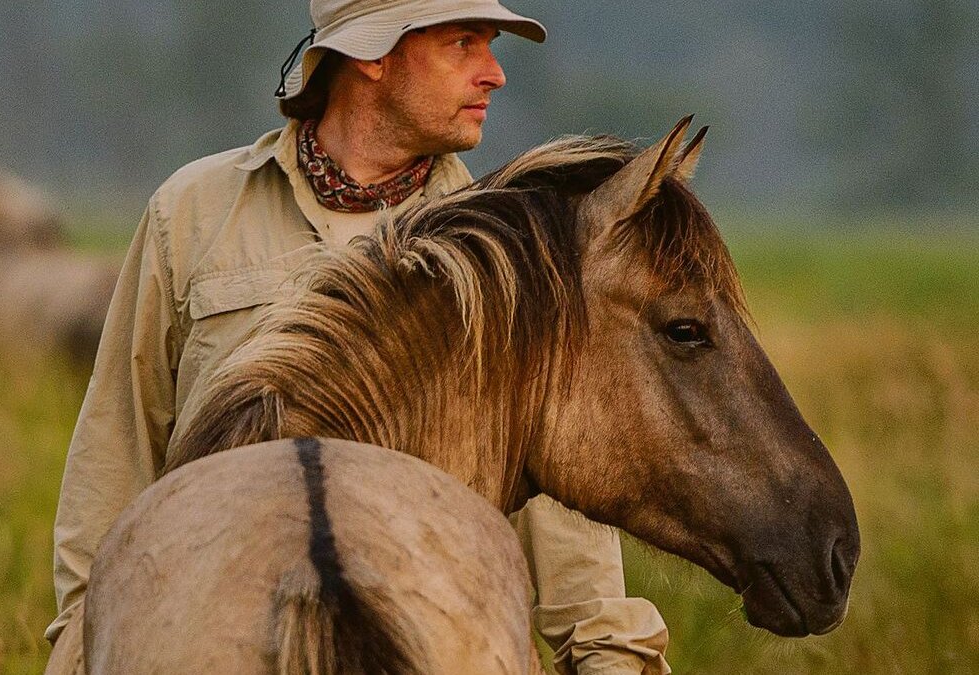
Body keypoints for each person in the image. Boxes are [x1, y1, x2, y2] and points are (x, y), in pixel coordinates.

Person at [47, 1, 671, 673]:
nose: (495, 74)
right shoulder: (189, 211)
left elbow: (563, 509)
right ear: (373, 54)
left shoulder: (510, 255)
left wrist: (612, 658)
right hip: (211, 627)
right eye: (463, 43)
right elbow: (117, 446)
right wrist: (81, 644)